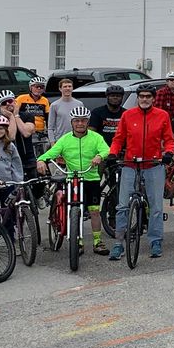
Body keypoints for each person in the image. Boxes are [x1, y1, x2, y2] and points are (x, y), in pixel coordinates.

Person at [108, 87, 174, 261]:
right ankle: (118, 244)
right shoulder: (127, 115)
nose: (144, 99)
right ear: (137, 98)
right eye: (141, 96)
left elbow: (168, 139)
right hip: (130, 164)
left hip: (153, 164)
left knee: (156, 207)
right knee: (122, 206)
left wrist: (168, 153)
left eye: (148, 96)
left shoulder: (162, 115)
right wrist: (113, 153)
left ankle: (155, 241)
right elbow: (119, 138)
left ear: (153, 98)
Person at [36, 105, 111, 254]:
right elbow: (51, 153)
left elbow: (106, 149)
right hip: (73, 180)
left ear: (87, 122)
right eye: (77, 121)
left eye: (83, 121)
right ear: (72, 122)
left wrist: (99, 156)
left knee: (94, 211)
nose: (80, 124)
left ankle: (97, 242)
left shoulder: (96, 137)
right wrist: (41, 160)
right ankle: (78, 241)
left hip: (91, 178)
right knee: (75, 211)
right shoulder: (65, 140)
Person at [15, 75, 51, 165]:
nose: (39, 89)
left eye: (41, 87)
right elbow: (15, 113)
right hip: (26, 130)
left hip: (40, 132)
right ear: (30, 87)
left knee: (41, 154)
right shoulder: (21, 98)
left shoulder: (45, 100)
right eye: (36, 86)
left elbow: (47, 117)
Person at [46, 77, 81, 144]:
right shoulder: (54, 105)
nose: (67, 88)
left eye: (69, 86)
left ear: (72, 88)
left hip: (76, 140)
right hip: (60, 140)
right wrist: (52, 143)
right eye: (65, 86)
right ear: (60, 89)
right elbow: (50, 127)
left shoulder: (79, 104)